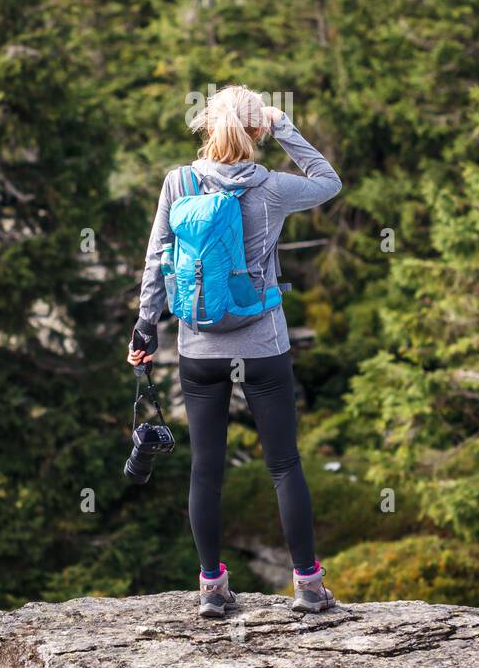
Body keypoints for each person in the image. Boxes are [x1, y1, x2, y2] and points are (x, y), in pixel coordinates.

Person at [127, 84, 342, 619]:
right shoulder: (271, 187)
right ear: (257, 132)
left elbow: (157, 259)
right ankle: (309, 586)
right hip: (263, 343)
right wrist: (285, 126)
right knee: (285, 464)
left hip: (199, 347)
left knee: (207, 468)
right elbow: (329, 182)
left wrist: (145, 326)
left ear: (206, 127)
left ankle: (211, 589)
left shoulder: (178, 182)